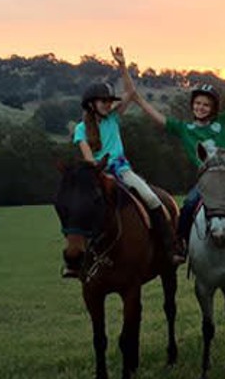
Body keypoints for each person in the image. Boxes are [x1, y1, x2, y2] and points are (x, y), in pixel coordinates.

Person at [125, 51, 225, 259]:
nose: (201, 107)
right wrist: (137, 100)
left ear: (213, 108)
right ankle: (180, 245)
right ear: (192, 105)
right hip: (207, 180)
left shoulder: (222, 122)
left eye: (206, 105)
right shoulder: (184, 128)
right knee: (189, 205)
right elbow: (158, 117)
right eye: (198, 104)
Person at [72, 46, 179, 267]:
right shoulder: (81, 129)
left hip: (122, 170)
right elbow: (89, 159)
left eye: (109, 101)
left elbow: (130, 93)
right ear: (92, 104)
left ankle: (170, 247)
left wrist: (122, 65)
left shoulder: (112, 118)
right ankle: (77, 260)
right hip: (99, 175)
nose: (108, 104)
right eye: (103, 101)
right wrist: (100, 174)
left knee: (150, 197)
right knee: (79, 208)